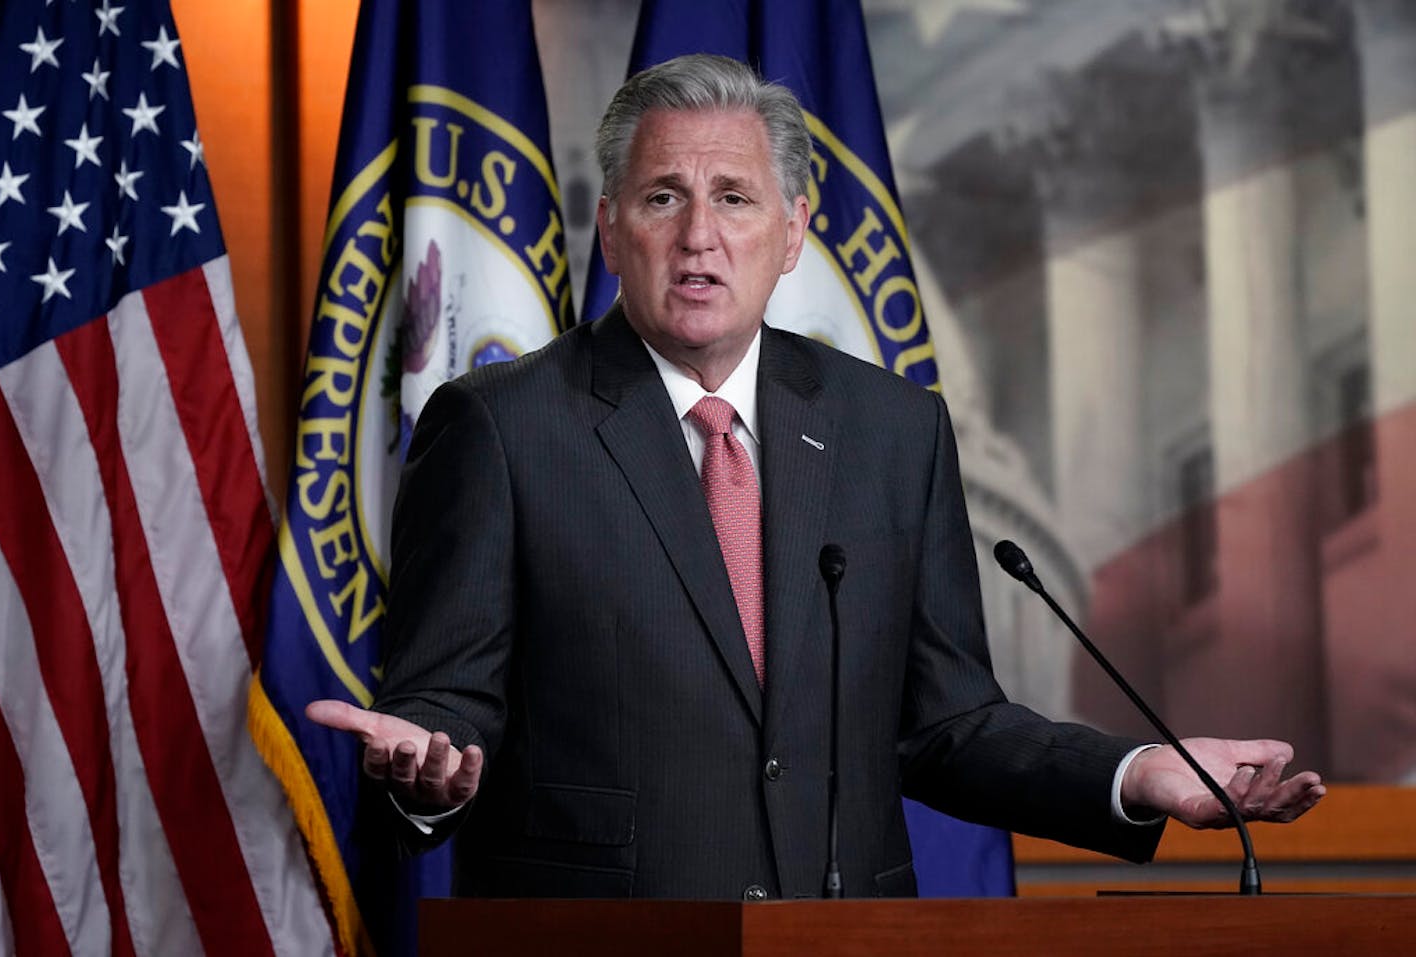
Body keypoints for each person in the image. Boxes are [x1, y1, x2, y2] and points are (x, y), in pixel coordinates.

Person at [307, 53, 1324, 900]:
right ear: (611, 226)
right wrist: (431, 772)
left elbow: (948, 724)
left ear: (790, 233)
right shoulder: (499, 427)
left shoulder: (890, 430)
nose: (699, 236)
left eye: (734, 199)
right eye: (663, 198)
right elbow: (445, 706)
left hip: (845, 936)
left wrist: (1136, 773)